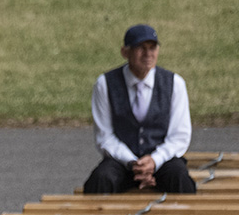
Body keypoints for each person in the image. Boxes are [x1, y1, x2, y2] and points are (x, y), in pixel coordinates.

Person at [83, 24, 196, 194]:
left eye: (152, 48)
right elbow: (105, 137)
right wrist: (133, 162)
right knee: (101, 179)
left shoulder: (175, 84)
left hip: (162, 161)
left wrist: (154, 160)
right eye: (141, 48)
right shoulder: (105, 84)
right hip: (122, 162)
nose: (148, 54)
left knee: (180, 178)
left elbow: (179, 135)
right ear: (125, 52)